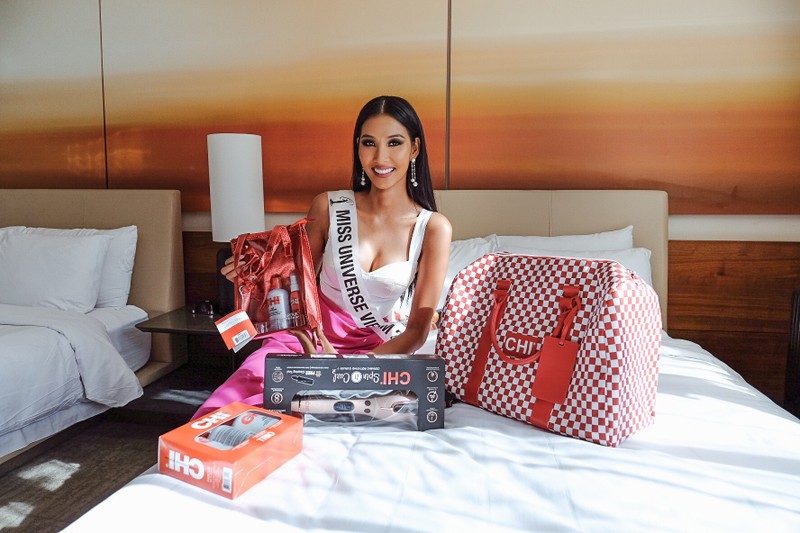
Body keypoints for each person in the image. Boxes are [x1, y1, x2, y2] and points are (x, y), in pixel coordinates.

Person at [193, 95, 452, 419]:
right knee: (226, 412)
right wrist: (253, 278)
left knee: (373, 410)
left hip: (376, 352)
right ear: (358, 147)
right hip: (304, 341)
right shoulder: (329, 206)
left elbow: (416, 331)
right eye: (369, 143)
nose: (380, 157)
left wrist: (348, 370)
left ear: (414, 148)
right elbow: (291, 283)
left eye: (394, 143)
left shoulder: (433, 228)